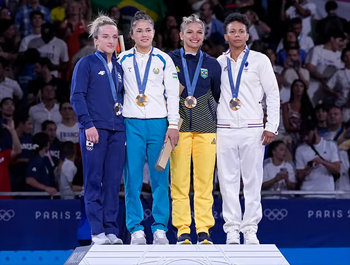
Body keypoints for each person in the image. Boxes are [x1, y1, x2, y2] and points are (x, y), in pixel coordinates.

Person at [216, 13, 280, 245]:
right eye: (232, 31)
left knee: (253, 180)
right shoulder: (218, 63)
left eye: (241, 31)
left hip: (254, 128)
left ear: (248, 35)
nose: (237, 35)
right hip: (224, 128)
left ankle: (250, 228)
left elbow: (273, 94)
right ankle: (232, 228)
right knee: (227, 181)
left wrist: (271, 126)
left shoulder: (260, 60)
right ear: (226, 35)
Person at [118, 11, 180, 245]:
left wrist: (173, 125)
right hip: (131, 124)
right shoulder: (122, 60)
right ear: (131, 34)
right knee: (132, 178)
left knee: (160, 178)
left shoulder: (164, 59)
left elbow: (173, 94)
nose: (144, 34)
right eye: (139, 30)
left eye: (148, 30)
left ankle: (160, 229)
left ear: (154, 33)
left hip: (159, 125)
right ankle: (135, 229)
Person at [70, 15, 125, 245]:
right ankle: (96, 231)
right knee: (94, 180)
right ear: (96, 40)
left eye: (114, 36)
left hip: (117, 131)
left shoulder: (120, 68)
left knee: (113, 181)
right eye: (105, 37)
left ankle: (111, 229)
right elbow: (77, 96)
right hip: (94, 129)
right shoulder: (87, 63)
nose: (111, 40)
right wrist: (87, 124)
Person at [168, 14, 221, 245]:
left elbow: (218, 95)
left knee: (204, 181)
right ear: (181, 35)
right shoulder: (169, 61)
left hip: (206, 128)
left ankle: (204, 230)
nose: (194, 36)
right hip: (178, 128)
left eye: (199, 32)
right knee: (179, 181)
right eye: (189, 32)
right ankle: (182, 230)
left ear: (204, 35)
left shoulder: (212, 64)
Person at [296, 121, 340, 198]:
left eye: (307, 134)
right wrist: (308, 168)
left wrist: (322, 162)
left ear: (315, 130)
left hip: (327, 193)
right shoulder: (300, 149)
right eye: (303, 136)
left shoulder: (330, 145)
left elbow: (337, 169)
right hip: (307, 194)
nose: (306, 138)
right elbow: (299, 176)